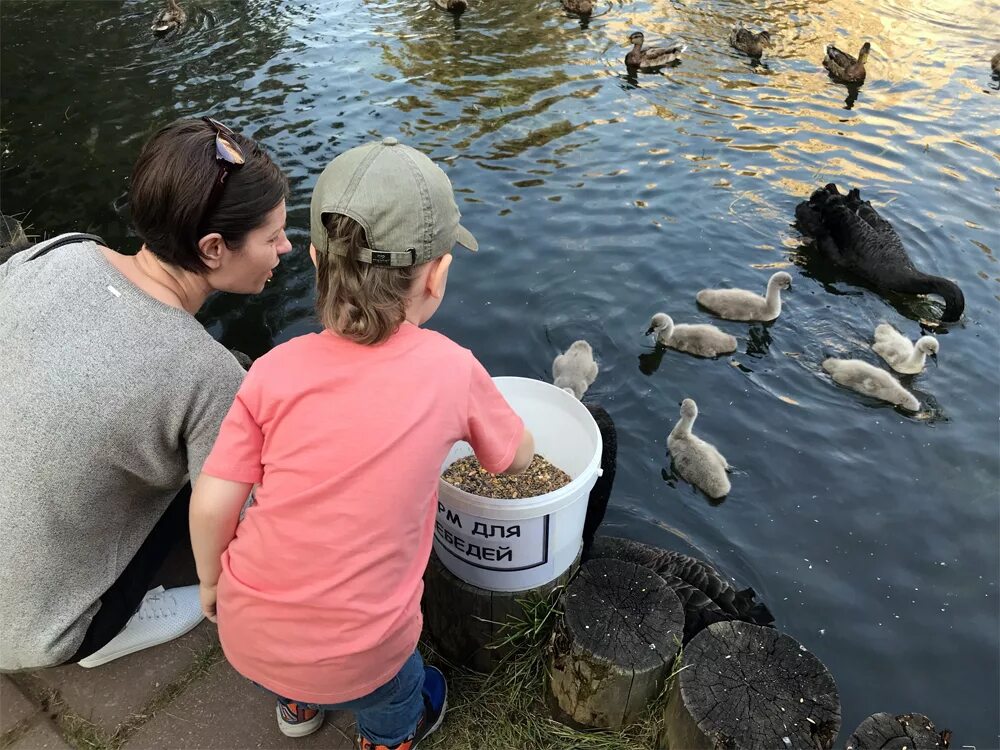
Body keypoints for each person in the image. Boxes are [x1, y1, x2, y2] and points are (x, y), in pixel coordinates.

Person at [190, 137, 535, 750]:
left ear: (319, 264)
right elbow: (514, 459)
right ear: (437, 275)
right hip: (367, 653)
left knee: (290, 633)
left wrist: (213, 583)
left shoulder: (272, 370)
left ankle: (297, 707)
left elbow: (215, 500)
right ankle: (388, 738)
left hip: (250, 632)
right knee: (400, 686)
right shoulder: (454, 371)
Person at [0, 117, 292, 672]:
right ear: (212, 248)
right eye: (271, 236)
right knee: (216, 479)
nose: (286, 247)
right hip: (29, 630)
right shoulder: (206, 377)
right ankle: (109, 626)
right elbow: (242, 521)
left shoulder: (61, 251)